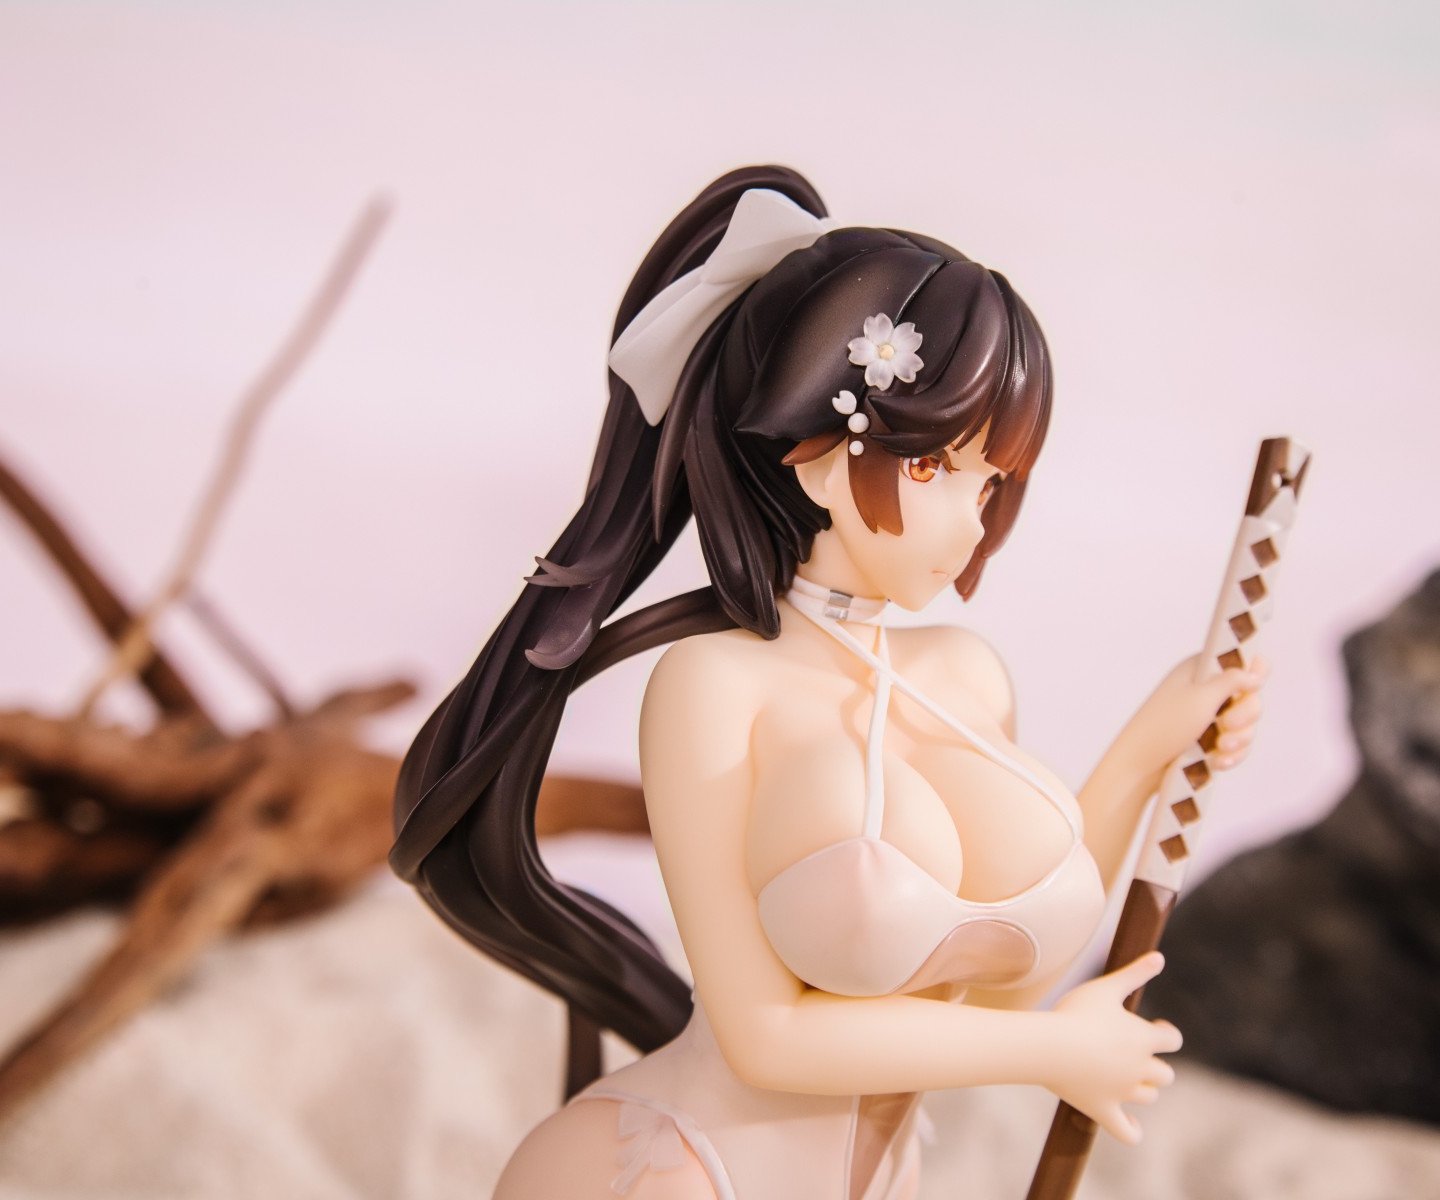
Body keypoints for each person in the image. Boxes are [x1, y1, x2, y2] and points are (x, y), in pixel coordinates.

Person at [389, 165, 1266, 1200]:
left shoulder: (966, 675)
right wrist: (1050, 1056)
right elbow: (764, 1035)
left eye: (993, 480)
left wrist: (1149, 750)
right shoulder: (714, 685)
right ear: (814, 454)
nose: (972, 520)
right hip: (676, 1173)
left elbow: (992, 992)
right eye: (935, 468)